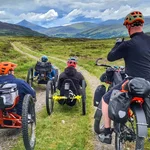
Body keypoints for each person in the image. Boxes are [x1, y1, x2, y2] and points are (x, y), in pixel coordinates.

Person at [98, 11, 150, 144]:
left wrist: (118, 44)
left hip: (132, 82)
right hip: (149, 83)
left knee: (105, 99)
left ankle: (107, 132)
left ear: (128, 26)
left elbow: (111, 57)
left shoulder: (128, 44)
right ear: (142, 25)